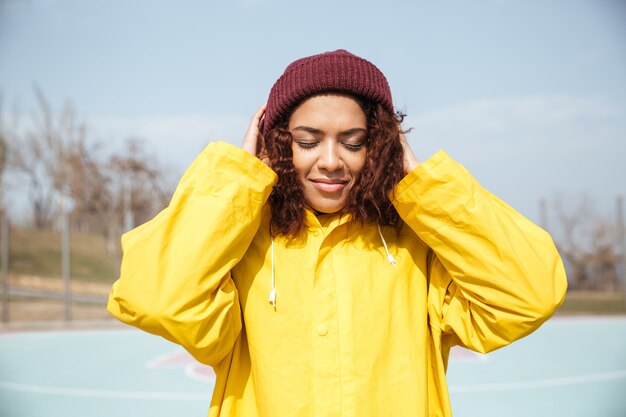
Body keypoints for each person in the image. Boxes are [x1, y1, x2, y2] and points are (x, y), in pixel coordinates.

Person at [107, 49, 567, 417]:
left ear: (381, 145)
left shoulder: (417, 249)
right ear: (279, 144)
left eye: (354, 142)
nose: (331, 160)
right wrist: (233, 184)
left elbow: (529, 293)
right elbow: (154, 296)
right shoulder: (240, 247)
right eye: (308, 141)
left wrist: (427, 186)